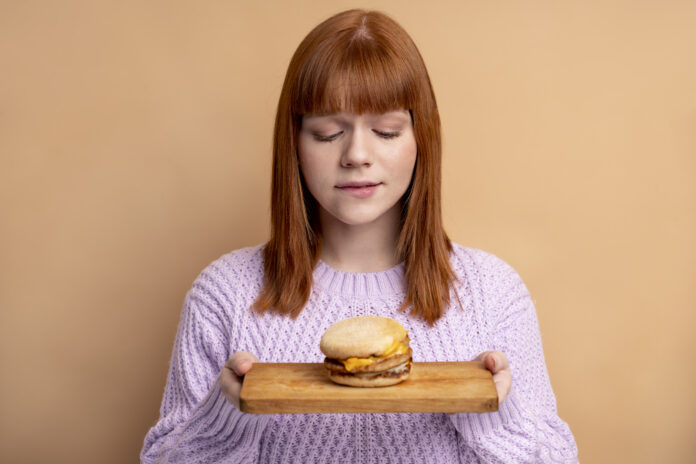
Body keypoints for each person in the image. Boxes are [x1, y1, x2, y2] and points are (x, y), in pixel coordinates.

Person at [141, 9, 578, 463]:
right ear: (294, 142)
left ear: (420, 137)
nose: (357, 155)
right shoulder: (224, 294)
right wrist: (228, 416)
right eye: (328, 133)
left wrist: (494, 414)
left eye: (386, 131)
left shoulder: (493, 293)